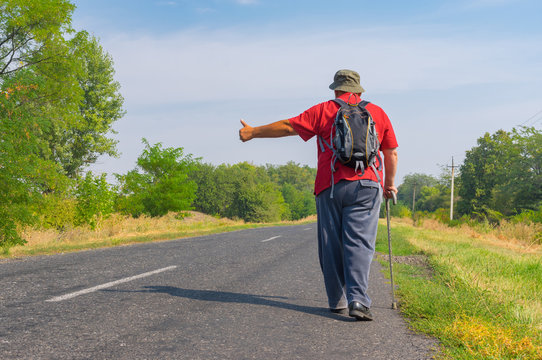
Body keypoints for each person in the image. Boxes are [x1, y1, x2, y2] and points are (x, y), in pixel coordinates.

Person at [238, 69, 398, 321]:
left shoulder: (324, 110)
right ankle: (359, 300)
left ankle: (337, 300)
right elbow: (391, 153)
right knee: (360, 244)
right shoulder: (377, 113)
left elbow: (287, 127)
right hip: (368, 186)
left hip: (331, 185)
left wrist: (253, 132)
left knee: (330, 244)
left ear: (336, 89)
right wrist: (388, 185)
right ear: (358, 90)